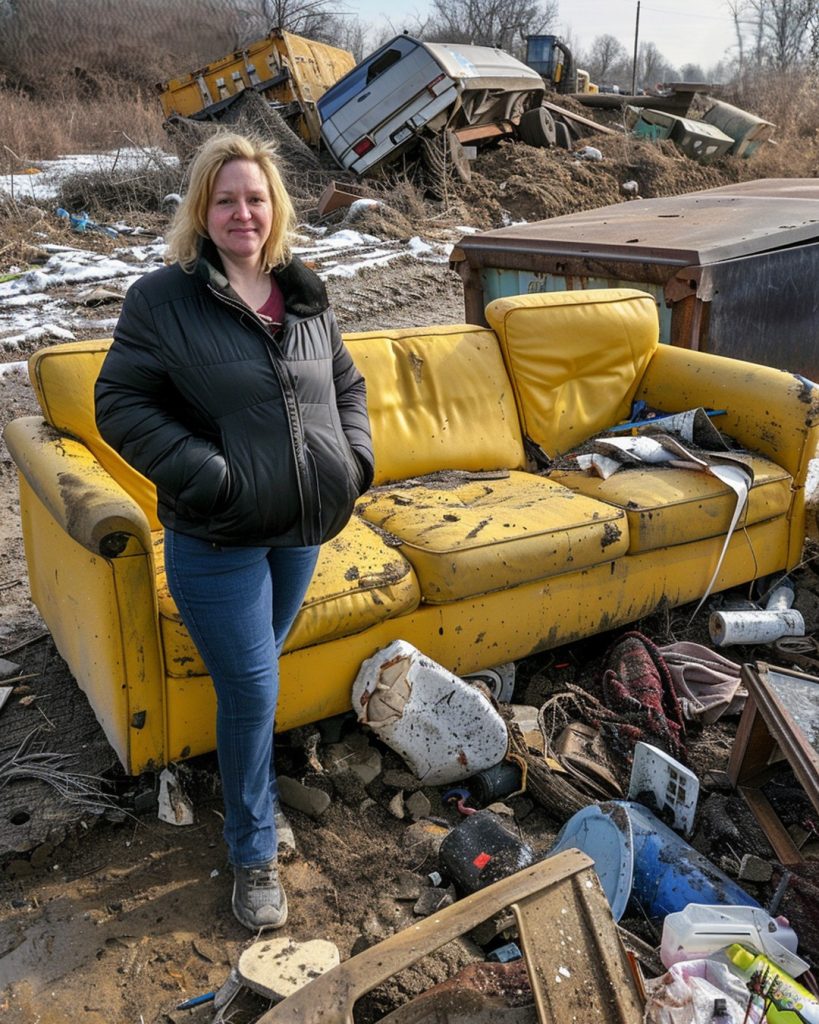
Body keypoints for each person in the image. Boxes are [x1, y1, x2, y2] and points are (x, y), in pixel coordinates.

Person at [94, 131, 374, 931]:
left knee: (254, 681)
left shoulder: (306, 293)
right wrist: (212, 476)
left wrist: (352, 461)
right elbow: (121, 404)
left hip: (302, 528)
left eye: (255, 198)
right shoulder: (164, 299)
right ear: (201, 211)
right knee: (252, 687)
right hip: (216, 533)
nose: (242, 212)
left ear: (275, 207)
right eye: (225, 199)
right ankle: (253, 851)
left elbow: (346, 383)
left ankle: (239, 781)